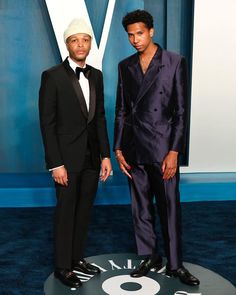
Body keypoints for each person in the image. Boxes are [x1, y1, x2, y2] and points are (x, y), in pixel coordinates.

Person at [114, 10, 200, 286]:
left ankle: (175, 264)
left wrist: (175, 151)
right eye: (130, 35)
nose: (135, 39)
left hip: (163, 149)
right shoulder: (125, 65)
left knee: (169, 206)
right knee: (140, 208)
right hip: (133, 147)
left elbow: (180, 111)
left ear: (152, 31)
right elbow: (121, 111)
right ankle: (150, 255)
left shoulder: (174, 62)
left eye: (139, 33)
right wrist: (118, 148)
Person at [39, 18, 112, 288]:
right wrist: (55, 163)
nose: (80, 45)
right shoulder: (52, 76)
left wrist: (105, 155)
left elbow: (100, 117)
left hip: (92, 157)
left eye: (85, 40)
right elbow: (47, 123)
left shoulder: (97, 75)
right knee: (66, 211)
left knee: (84, 210)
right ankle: (62, 266)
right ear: (67, 44)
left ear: (90, 44)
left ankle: (77, 258)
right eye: (74, 40)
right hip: (66, 160)